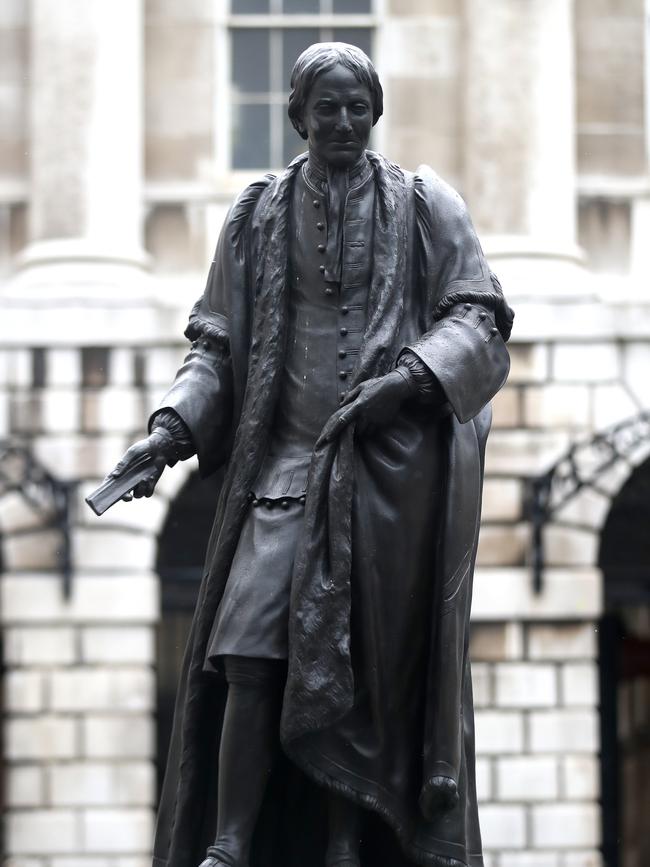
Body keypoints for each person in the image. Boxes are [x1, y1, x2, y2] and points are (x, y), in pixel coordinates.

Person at [108, 43, 513, 867]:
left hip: (384, 484)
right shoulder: (255, 214)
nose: (342, 122)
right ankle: (228, 842)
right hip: (283, 475)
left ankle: (344, 845)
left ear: (377, 111)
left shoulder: (426, 204)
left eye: (356, 107)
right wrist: (170, 430)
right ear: (296, 116)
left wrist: (406, 380)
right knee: (248, 652)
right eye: (325, 108)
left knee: (355, 674)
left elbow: (479, 317)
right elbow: (215, 347)